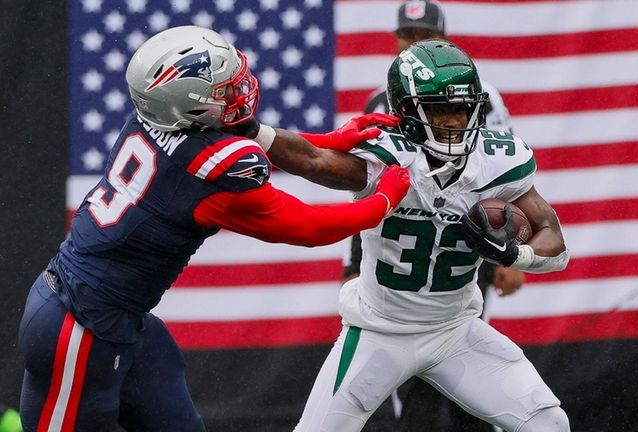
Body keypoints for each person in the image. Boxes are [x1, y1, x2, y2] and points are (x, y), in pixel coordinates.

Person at [17, 25, 410, 432]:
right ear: (188, 104)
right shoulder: (210, 168)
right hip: (77, 327)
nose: (238, 92)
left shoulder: (156, 121)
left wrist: (332, 139)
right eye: (224, 89)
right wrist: (383, 200)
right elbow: (309, 227)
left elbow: (258, 141)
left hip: (118, 318)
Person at [291, 39, 571, 432]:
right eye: (440, 110)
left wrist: (514, 254)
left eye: (461, 109)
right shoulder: (384, 160)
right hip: (379, 332)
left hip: (454, 331)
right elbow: (309, 159)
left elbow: (555, 245)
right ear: (405, 112)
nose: (454, 121)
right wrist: (253, 132)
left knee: (548, 423)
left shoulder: (496, 164)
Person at [342, 1, 524, 429]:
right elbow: (366, 193)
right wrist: (354, 265)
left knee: (466, 373)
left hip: (462, 248)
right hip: (397, 252)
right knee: (403, 381)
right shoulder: (380, 101)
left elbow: (506, 179)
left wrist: (513, 254)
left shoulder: (481, 97)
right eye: (408, 36)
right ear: (396, 40)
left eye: (425, 37)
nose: (415, 44)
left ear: (444, 40)